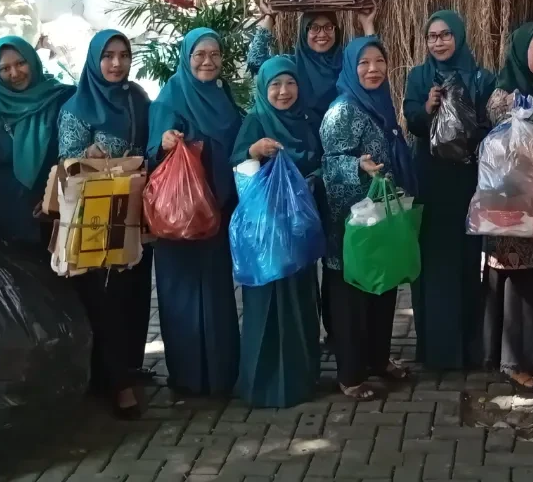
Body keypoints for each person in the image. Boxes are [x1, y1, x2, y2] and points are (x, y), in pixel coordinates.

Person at [58, 30, 152, 419]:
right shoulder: (77, 108)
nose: (116, 64)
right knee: (105, 299)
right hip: (94, 217)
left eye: (123, 55)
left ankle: (124, 367)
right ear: (94, 60)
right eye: (108, 56)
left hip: (134, 210)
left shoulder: (138, 99)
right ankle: (117, 385)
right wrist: (87, 155)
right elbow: (66, 165)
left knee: (133, 291)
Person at [320, 35, 416, 400]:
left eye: (379, 61)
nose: (373, 69)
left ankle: (377, 359)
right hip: (350, 222)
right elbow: (329, 164)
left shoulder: (378, 102)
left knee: (382, 288)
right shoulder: (343, 109)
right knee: (351, 298)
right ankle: (350, 374)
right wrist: (356, 167)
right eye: (364, 63)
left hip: (381, 217)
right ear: (350, 67)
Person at [146, 28, 241, 397]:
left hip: (218, 210)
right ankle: (188, 376)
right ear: (186, 58)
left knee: (217, 292)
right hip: (180, 216)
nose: (207, 61)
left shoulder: (223, 94)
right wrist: (164, 144)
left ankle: (220, 373)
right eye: (199, 54)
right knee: (182, 295)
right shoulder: (170, 98)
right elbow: (152, 146)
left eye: (214, 54)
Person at [403, 10, 495, 371]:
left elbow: (490, 123)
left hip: (468, 181)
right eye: (432, 36)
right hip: (430, 180)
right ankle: (436, 351)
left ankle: (469, 349)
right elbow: (412, 119)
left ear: (458, 36)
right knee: (433, 264)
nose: (438, 42)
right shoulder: (418, 76)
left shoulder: (480, 77)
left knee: (467, 262)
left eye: (445, 35)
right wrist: (428, 108)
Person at [232, 55, 324, 407]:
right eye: (275, 85)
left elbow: (318, 160)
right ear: (263, 89)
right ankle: (264, 383)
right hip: (267, 236)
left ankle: (301, 378)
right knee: (268, 304)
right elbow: (237, 164)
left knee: (300, 302)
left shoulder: (305, 120)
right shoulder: (256, 120)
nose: (283, 92)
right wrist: (254, 151)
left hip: (298, 232)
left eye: (290, 84)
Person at [482, 21, 533, 392]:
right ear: (520, 51)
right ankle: (515, 362)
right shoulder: (505, 96)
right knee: (519, 282)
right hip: (514, 202)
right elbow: (502, 152)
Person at [0, 37, 72, 251]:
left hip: (57, 217)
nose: (14, 74)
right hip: (5, 223)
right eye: (5, 68)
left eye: (20, 63)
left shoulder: (62, 98)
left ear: (32, 61)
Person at [248, 8, 377, 124]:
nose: (322, 34)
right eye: (314, 28)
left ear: (336, 30)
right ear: (304, 32)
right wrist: (269, 18)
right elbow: (256, 62)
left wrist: (367, 24)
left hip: (344, 141)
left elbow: (375, 65)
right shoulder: (292, 65)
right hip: (302, 143)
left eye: (328, 27)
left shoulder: (347, 63)